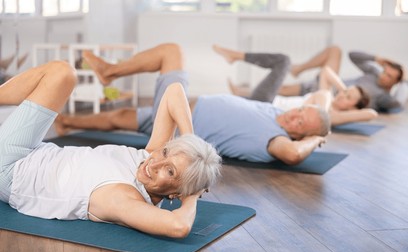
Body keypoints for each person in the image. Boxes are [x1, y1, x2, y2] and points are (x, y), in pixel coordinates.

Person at [0, 46, 222, 239]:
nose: (155, 164)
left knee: (60, 71)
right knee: (62, 73)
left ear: (176, 193)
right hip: (36, 150)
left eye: (171, 172)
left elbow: (179, 226)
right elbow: (174, 91)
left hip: (10, 171)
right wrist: (189, 141)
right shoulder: (151, 160)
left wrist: (192, 195)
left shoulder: (123, 197)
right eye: (165, 153)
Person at [55, 43, 330, 166]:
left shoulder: (276, 140)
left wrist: (317, 137)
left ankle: (110, 72)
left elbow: (293, 155)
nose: (295, 116)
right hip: (177, 108)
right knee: (121, 117)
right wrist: (316, 119)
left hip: (178, 122)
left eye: (300, 123)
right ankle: (67, 122)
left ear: (298, 135)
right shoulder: (276, 111)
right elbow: (321, 99)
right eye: (300, 111)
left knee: (171, 52)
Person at [213, 45, 378, 126]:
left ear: (353, 107)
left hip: (265, 105)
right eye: (345, 92)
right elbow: (326, 71)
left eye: (348, 97)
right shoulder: (325, 97)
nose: (342, 94)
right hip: (266, 102)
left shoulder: (329, 115)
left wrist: (353, 111)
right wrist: (344, 90)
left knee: (283, 61)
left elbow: (371, 114)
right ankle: (240, 90)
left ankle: (235, 56)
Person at [278, 45, 405, 113]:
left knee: (335, 51)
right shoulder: (374, 73)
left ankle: (297, 70)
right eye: (384, 71)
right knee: (280, 90)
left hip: (329, 95)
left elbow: (398, 102)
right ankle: (299, 69)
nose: (383, 76)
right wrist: (376, 59)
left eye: (389, 76)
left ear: (396, 82)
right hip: (325, 83)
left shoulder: (384, 97)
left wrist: (405, 79)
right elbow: (352, 55)